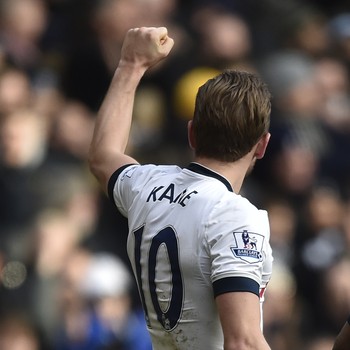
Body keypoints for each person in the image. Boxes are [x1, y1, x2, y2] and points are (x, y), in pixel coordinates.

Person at [88, 27, 273, 350]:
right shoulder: (235, 216)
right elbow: (243, 342)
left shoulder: (146, 185)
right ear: (262, 146)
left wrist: (130, 65)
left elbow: (103, 157)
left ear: (192, 134)